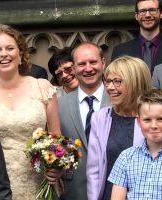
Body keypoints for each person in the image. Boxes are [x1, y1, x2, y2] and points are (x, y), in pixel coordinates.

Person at [0, 23, 61, 200]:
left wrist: (56, 167)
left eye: (10, 48)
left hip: (38, 184)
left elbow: (56, 139)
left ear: (21, 54)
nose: (4, 54)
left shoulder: (42, 88)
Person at [86, 56, 151, 200]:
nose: (109, 87)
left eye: (117, 81)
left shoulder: (155, 119)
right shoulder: (100, 118)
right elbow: (93, 170)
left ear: (135, 83)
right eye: (108, 81)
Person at [56, 42, 111, 200]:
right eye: (81, 64)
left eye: (93, 62)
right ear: (73, 68)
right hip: (73, 191)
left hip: (113, 190)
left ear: (103, 62)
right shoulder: (59, 105)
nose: (88, 68)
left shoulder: (119, 101)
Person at [111, 0, 162, 70]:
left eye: (152, 10)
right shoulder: (120, 51)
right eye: (142, 11)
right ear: (136, 16)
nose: (147, 15)